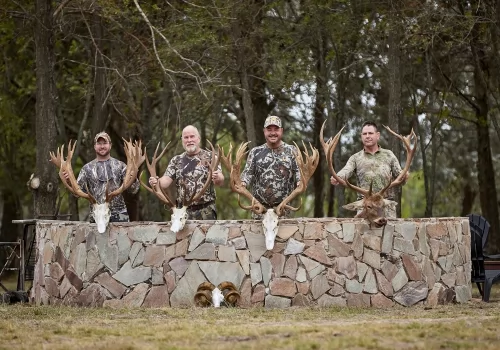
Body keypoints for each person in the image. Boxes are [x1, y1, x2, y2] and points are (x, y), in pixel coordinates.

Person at [330, 121, 409, 218]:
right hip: (365, 205)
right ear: (361, 136)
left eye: (370, 133)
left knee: (388, 233)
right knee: (362, 232)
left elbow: (400, 175)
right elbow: (347, 170)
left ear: (377, 135)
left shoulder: (389, 155)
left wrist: (404, 175)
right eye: (364, 134)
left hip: (385, 205)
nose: (367, 136)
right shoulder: (355, 158)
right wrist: (338, 177)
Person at [148, 125, 224, 220]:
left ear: (198, 138)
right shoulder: (176, 160)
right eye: (186, 137)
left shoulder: (211, 157)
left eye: (192, 136)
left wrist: (217, 177)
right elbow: (165, 181)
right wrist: (156, 181)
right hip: (183, 212)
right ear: (182, 140)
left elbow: (220, 181)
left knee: (208, 235)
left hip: (206, 211)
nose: (189, 140)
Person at [240, 115, 301, 219]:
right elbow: (247, 174)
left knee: (284, 236)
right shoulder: (255, 152)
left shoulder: (292, 151)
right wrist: (243, 182)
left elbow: (300, 173)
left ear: (281, 131)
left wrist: (301, 182)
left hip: (282, 211)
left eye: (276, 129)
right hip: (260, 211)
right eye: (269, 130)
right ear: (264, 131)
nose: (273, 133)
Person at [74, 131, 140, 222]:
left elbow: (133, 190)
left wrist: (133, 178)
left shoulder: (121, 166)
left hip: (119, 214)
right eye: (99, 143)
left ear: (110, 145)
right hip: (97, 215)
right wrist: (69, 181)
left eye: (105, 143)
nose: (102, 146)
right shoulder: (86, 169)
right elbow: (76, 193)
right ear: (94, 146)